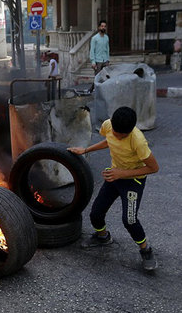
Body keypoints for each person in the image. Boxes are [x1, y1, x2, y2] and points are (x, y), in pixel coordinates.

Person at [68, 107, 159, 271]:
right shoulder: (108, 125)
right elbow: (109, 140)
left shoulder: (138, 141)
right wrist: (86, 150)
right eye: (115, 131)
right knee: (95, 213)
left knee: (129, 220)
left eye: (121, 135)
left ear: (130, 131)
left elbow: (153, 168)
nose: (116, 135)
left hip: (133, 181)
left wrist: (121, 173)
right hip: (114, 176)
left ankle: (146, 250)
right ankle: (103, 237)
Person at [89, 20, 109, 92]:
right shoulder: (94, 38)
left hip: (105, 60)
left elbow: (107, 49)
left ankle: (102, 91)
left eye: (104, 26)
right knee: (97, 77)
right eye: (102, 26)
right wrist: (93, 61)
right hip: (98, 61)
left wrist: (108, 59)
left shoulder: (106, 37)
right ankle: (93, 90)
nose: (103, 28)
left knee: (105, 77)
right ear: (99, 27)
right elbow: (92, 50)